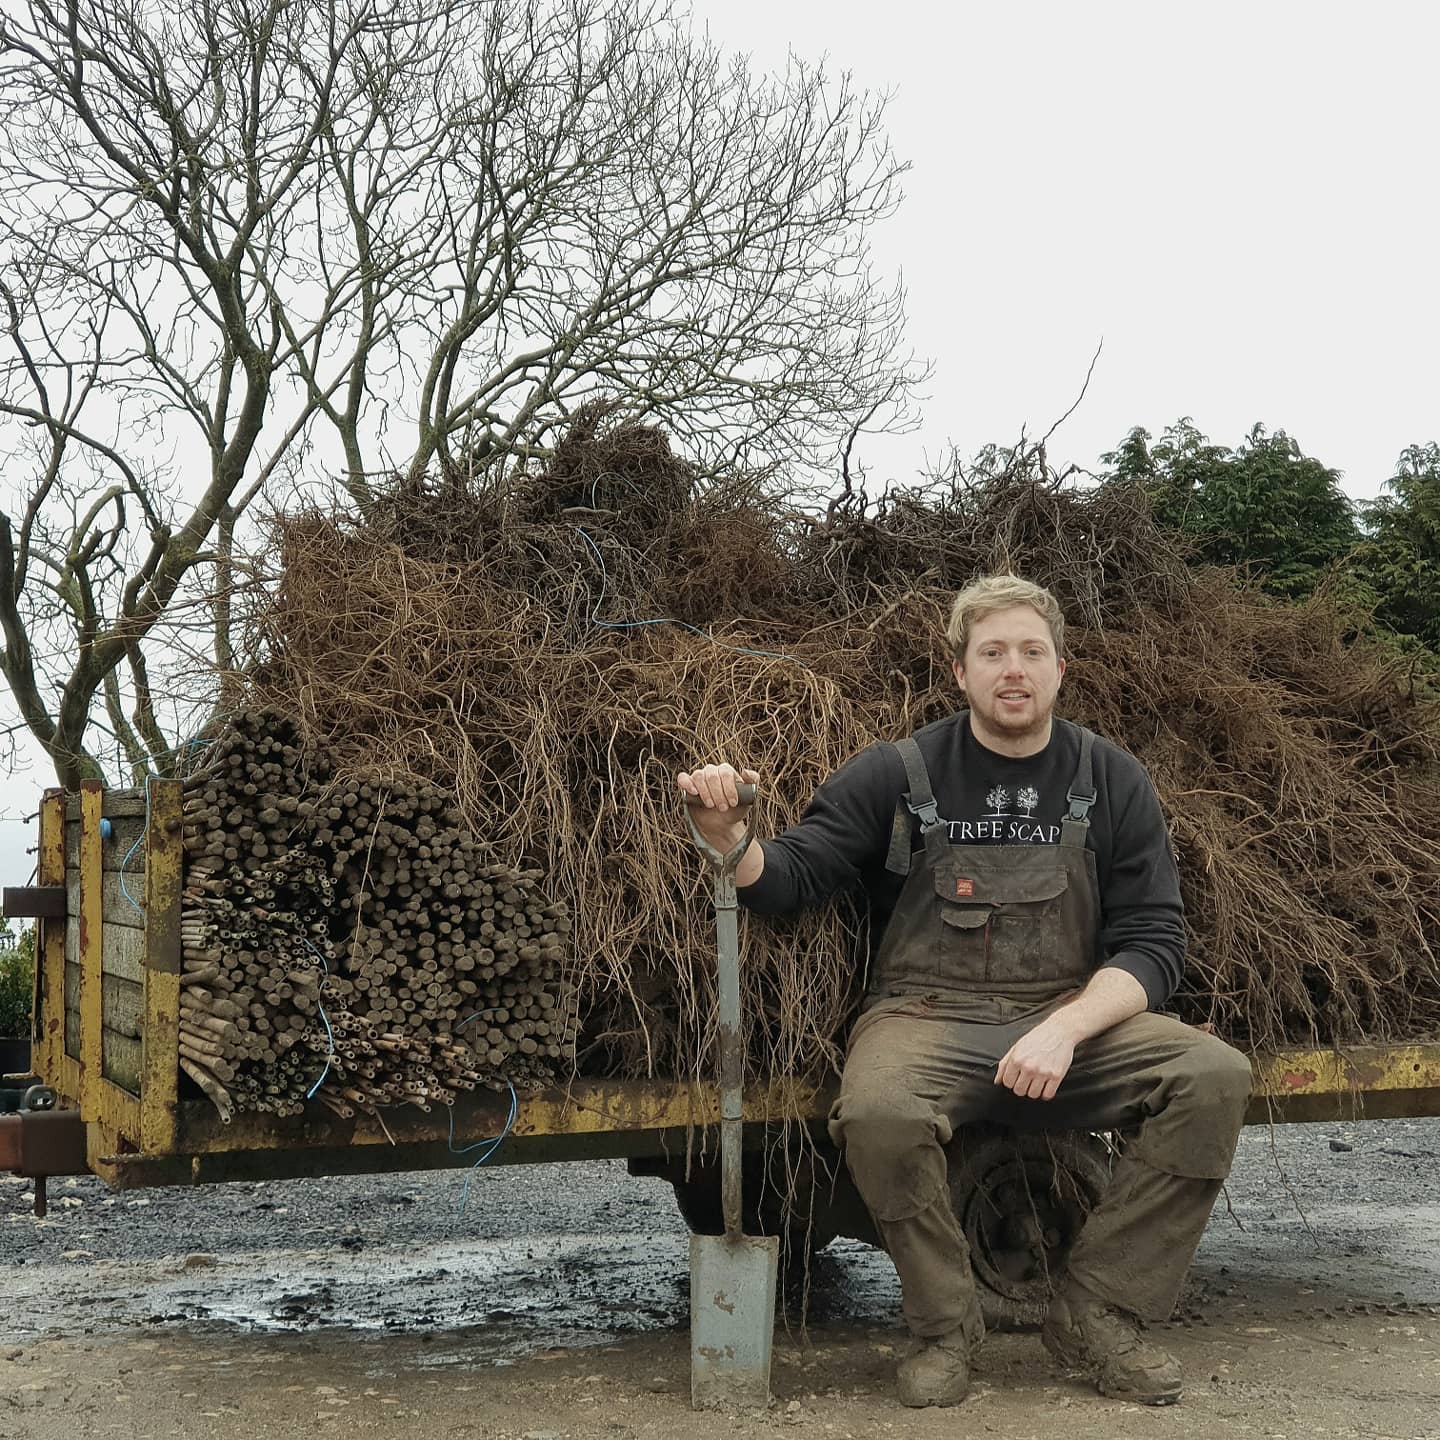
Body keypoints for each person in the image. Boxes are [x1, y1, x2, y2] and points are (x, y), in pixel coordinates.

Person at [677, 573, 1252, 1409]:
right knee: (877, 1113)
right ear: (960, 671)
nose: (1012, 669)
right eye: (992, 653)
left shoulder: (1111, 777)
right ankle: (946, 1329)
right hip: (926, 1016)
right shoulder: (899, 772)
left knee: (1213, 1077)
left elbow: (1155, 942)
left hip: (1070, 1016)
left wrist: (1065, 1029)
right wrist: (727, 836)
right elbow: (792, 879)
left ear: (1061, 669)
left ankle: (1096, 1312)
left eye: (1031, 651)